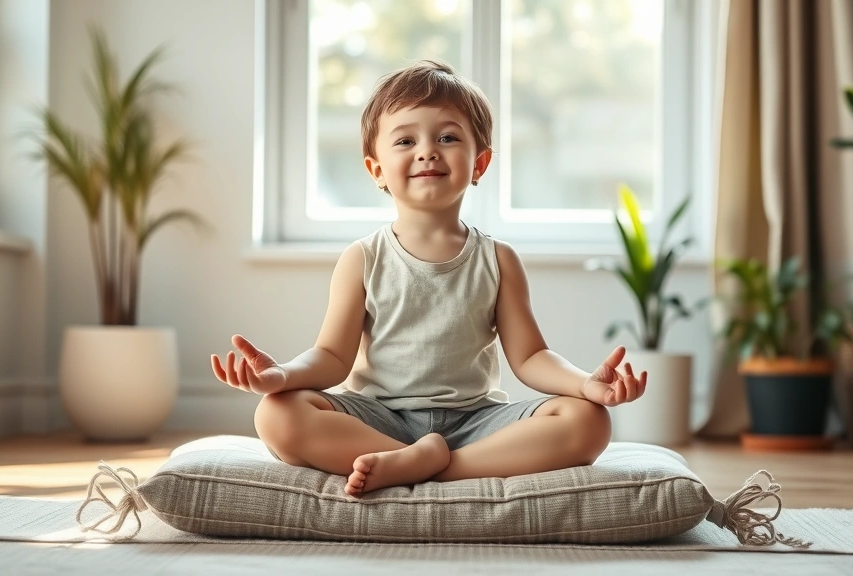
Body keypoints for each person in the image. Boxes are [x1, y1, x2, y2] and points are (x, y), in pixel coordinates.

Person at [211, 60, 647, 498]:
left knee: (589, 421)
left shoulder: (498, 259)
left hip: (475, 420)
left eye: (447, 137)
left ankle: (434, 465)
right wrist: (281, 376)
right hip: (379, 420)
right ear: (376, 168)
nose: (427, 151)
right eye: (405, 140)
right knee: (276, 415)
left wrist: (585, 384)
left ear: (480, 163)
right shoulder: (362, 258)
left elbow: (531, 357)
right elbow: (330, 356)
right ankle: (420, 457)